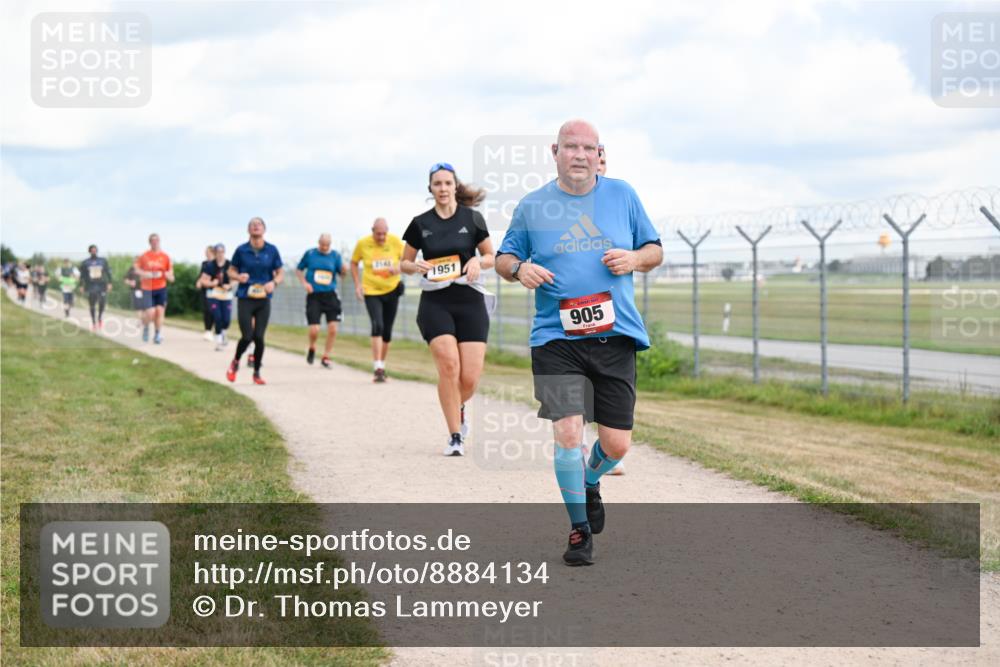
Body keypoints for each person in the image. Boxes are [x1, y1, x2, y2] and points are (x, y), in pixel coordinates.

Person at [495, 120, 662, 565]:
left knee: (617, 444)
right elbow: (504, 256)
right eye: (572, 146)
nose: (581, 155)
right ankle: (579, 530)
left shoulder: (622, 195)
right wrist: (518, 271)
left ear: (598, 153)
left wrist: (634, 259)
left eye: (589, 147)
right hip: (556, 338)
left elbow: (654, 250)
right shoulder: (533, 206)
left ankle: (590, 482)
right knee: (568, 432)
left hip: (614, 335)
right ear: (556, 151)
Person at [401, 162, 495, 456]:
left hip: (469, 301)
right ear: (430, 188)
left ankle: (459, 405)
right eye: (437, 184)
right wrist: (414, 266)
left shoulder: (473, 218)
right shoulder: (420, 223)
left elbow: (492, 255)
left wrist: (479, 261)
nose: (442, 188)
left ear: (456, 186)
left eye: (447, 183)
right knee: (448, 366)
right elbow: (403, 263)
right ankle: (455, 435)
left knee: (469, 377)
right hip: (435, 302)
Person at [592, 144, 625, 476]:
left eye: (602, 161)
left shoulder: (619, 201)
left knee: (610, 384)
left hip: (613, 311)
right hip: (574, 311)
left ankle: (610, 445)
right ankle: (579, 440)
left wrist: (631, 259)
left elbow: (648, 250)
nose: (597, 166)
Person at [226, 217, 284, 385]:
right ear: (248, 230)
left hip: (263, 299)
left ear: (264, 229)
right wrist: (238, 276)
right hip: (246, 297)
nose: (255, 226)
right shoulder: (241, 250)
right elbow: (230, 271)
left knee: (259, 337)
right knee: (247, 336)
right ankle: (235, 361)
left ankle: (256, 372)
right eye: (252, 224)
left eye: (259, 224)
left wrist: (274, 282)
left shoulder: (272, 250)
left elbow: (280, 272)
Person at [351, 218, 405, 382]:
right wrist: (357, 284)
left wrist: (398, 267)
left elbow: (407, 260)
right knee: (377, 325)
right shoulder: (363, 243)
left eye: (384, 233)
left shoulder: (395, 242)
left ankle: (382, 364)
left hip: (392, 289)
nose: (381, 237)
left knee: (387, 330)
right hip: (372, 291)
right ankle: (377, 367)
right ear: (372, 230)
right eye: (378, 234)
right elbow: (354, 263)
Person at [296, 234, 345, 369]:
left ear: (330, 244)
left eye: (327, 245)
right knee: (314, 329)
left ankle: (326, 356)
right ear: (318, 242)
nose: (324, 247)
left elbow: (342, 274)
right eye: (322, 244)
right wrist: (304, 283)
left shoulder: (335, 256)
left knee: (333, 328)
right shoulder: (310, 254)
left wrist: (344, 271)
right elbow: (299, 270)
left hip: (330, 295)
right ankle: (312, 347)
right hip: (314, 295)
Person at [134, 234, 174, 344]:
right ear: (149, 242)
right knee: (150, 312)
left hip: (161, 288)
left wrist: (166, 275)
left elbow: (171, 274)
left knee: (160, 311)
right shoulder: (144, 256)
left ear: (159, 241)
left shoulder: (165, 257)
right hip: (147, 288)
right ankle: (146, 327)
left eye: (157, 240)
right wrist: (147, 274)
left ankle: (157, 333)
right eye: (152, 240)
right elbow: (136, 270)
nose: (155, 242)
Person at [199, 243, 234, 351]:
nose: (220, 254)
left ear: (224, 252)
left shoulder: (229, 265)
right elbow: (202, 280)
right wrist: (211, 284)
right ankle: (219, 342)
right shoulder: (210, 265)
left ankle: (223, 333)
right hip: (213, 295)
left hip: (226, 295)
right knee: (218, 317)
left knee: (226, 319)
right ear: (215, 253)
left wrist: (230, 285)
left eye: (222, 252)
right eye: (218, 252)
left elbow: (235, 279)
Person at [80, 245, 113, 330]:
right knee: (92, 304)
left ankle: (99, 318)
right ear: (89, 251)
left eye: (95, 250)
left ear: (97, 251)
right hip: (91, 285)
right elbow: (82, 275)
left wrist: (110, 283)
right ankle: (94, 322)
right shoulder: (85, 262)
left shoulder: (102, 261)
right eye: (92, 250)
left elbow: (108, 272)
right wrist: (81, 286)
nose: (94, 252)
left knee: (102, 302)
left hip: (101, 284)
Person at [197, 245, 216, 341]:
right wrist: (198, 282)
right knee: (207, 310)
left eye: (208, 252)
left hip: (215, 290)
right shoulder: (204, 263)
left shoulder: (217, 264)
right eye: (206, 252)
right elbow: (201, 275)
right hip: (205, 290)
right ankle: (208, 330)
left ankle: (215, 330)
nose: (206, 254)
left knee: (213, 310)